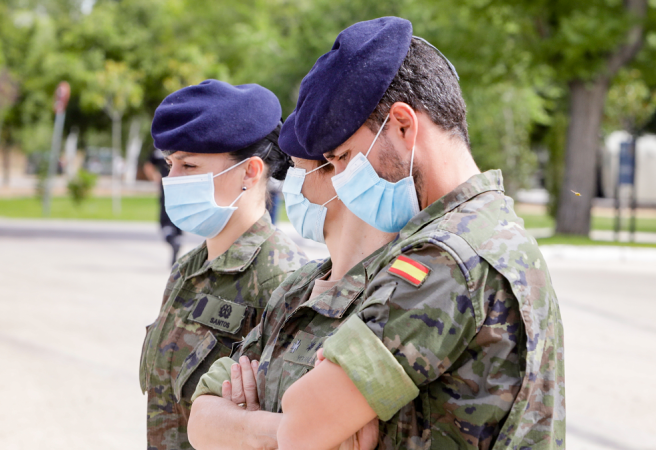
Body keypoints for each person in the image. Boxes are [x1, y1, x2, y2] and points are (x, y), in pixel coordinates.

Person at [190, 17, 565, 450]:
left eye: (344, 158)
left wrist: (259, 425)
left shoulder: (456, 254)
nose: (342, 181)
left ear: (404, 126)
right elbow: (241, 427)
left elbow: (303, 426)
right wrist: (276, 430)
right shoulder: (471, 233)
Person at [188, 105, 393, 450]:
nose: (287, 186)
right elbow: (202, 418)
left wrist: (242, 426)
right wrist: (276, 432)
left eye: (297, 170)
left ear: (338, 172)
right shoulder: (297, 287)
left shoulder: (390, 292)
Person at [139, 79, 308, 450]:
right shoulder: (189, 269)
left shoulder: (284, 279)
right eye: (170, 164)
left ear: (250, 172)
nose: (172, 180)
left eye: (189, 165)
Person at [143, 147, 182, 264]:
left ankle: (172, 240)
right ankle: (176, 240)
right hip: (181, 188)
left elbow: (148, 166)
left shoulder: (158, 149)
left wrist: (155, 177)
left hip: (166, 188)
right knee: (178, 219)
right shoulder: (180, 145)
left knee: (165, 222)